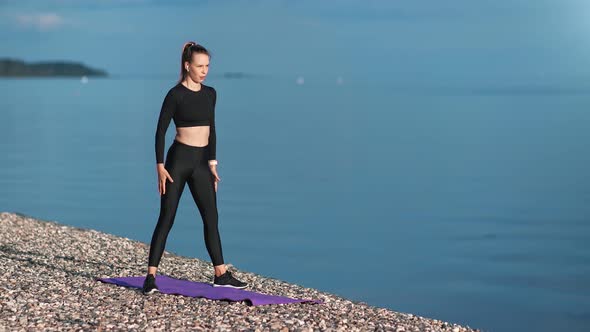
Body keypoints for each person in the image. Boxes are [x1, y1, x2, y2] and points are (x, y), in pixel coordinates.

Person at [142, 41, 248, 295]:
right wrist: (159, 166)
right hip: (177, 162)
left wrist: (212, 163)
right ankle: (150, 276)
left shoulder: (211, 93)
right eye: (199, 66)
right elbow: (160, 131)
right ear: (187, 66)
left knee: (211, 217)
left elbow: (212, 129)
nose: (204, 71)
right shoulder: (175, 94)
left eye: (207, 66)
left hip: (201, 163)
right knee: (167, 217)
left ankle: (220, 274)